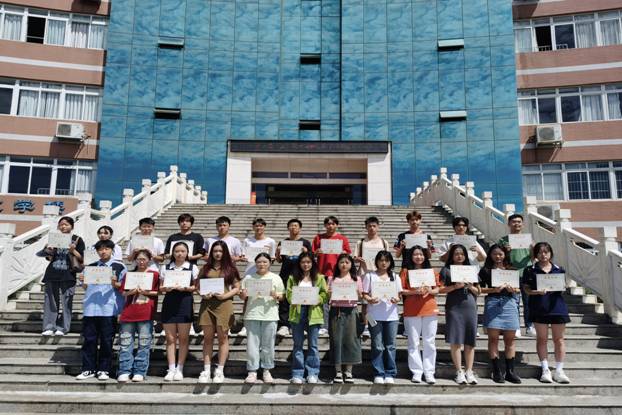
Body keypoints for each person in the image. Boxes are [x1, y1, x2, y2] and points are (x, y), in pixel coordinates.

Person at [75, 239, 126, 380]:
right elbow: (85, 287)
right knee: (89, 340)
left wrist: (115, 283)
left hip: (109, 308)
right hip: (91, 308)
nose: (103, 252)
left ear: (112, 251)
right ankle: (88, 369)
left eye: (106, 249)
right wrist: (83, 280)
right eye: (100, 249)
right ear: (97, 251)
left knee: (106, 340)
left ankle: (104, 369)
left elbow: (124, 287)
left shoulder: (119, 266)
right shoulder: (90, 266)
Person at [523, 242, 570, 384]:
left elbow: (563, 288)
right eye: (540, 252)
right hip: (539, 307)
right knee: (542, 339)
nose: (543, 255)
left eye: (546, 252)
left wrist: (563, 287)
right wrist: (536, 292)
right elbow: (526, 289)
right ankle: (545, 369)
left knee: (559, 339)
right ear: (536, 254)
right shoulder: (530, 270)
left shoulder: (559, 269)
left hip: (557, 307)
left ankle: (559, 370)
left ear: (551, 253)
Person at [196, 241, 241, 384]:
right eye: (215, 251)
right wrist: (203, 294)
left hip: (224, 305)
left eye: (220, 251)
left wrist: (225, 296)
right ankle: (206, 369)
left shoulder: (230, 268)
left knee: (223, 338)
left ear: (225, 252)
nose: (217, 253)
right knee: (207, 338)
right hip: (207, 305)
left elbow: (237, 287)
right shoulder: (205, 268)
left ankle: (220, 370)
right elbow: (197, 286)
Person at [479, 244, 522, 384]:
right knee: (493, 339)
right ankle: (496, 371)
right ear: (490, 255)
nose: (498, 257)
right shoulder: (485, 270)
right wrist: (494, 290)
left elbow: (519, 289)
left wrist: (513, 289)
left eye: (500, 254)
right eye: (494, 254)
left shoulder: (512, 270)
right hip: (493, 302)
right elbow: (479, 289)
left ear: (505, 255)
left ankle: (510, 371)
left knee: (510, 340)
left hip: (509, 303)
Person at [240, 252, 284, 384]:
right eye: (259, 262)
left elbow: (282, 296)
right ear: (255, 263)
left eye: (265, 262)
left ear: (270, 263)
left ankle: (267, 369)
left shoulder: (276, 278)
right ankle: (252, 370)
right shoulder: (249, 278)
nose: (262, 264)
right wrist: (243, 294)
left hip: (270, 314)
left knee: (268, 344)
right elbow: (242, 296)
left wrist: (275, 295)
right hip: (252, 314)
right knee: (252, 344)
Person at [439, 244, 480, 385]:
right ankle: (459, 371)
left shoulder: (471, 270)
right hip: (454, 306)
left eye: (462, 253)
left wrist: (470, 286)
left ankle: (469, 371)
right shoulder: (446, 270)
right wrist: (454, 287)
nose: (459, 256)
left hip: (469, 305)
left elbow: (478, 291)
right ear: (452, 255)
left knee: (470, 340)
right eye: (456, 253)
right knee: (456, 339)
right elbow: (440, 290)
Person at [37, 216, 85, 336]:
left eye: (66, 224)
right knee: (50, 301)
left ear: (72, 226)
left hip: (68, 274)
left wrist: (73, 250)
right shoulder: (54, 238)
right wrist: (48, 249)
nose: (63, 226)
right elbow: (47, 257)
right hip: (52, 273)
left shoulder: (77, 239)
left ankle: (63, 327)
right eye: (61, 224)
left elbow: (82, 258)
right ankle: (49, 326)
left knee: (66, 301)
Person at [399, 245, 440, 384]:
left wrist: (430, 290)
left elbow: (437, 289)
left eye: (421, 254)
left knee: (430, 342)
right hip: (411, 309)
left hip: (429, 308)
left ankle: (429, 372)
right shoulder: (405, 272)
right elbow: (401, 290)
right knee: (413, 342)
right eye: (415, 254)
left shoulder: (431, 271)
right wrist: (414, 292)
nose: (418, 257)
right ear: (410, 256)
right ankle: (417, 372)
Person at [117, 249, 160, 383]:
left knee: (144, 343)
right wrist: (131, 292)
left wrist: (146, 292)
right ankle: (124, 370)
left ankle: (139, 371)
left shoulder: (154, 275)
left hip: (146, 312)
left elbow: (158, 292)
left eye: (144, 259)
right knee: (125, 343)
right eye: (139, 259)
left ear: (149, 260)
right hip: (129, 311)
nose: (141, 262)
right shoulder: (129, 274)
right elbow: (123, 292)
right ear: (135, 260)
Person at [361, 251, 403, 385]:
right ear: (377, 262)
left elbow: (399, 295)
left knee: (390, 345)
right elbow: (364, 294)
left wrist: (397, 299)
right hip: (373, 316)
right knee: (377, 345)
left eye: (386, 260)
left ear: (390, 262)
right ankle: (378, 372)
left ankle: (390, 372)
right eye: (381, 260)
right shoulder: (370, 276)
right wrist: (369, 299)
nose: (383, 263)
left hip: (392, 316)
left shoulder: (395, 277)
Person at [286, 252, 328, 384]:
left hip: (314, 312)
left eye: (308, 262)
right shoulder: (293, 278)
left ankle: (312, 373)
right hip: (297, 313)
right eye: (303, 262)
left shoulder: (319, 278)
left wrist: (318, 299)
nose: (306, 264)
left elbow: (325, 294)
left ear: (312, 263)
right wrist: (294, 299)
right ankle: (297, 374)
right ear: (299, 263)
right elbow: (288, 294)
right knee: (297, 345)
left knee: (313, 345)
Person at [160, 241, 199, 381]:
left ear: (187, 253)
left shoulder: (192, 267)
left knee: (183, 338)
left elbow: (196, 287)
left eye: (183, 251)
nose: (179, 254)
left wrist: (187, 288)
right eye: (177, 251)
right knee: (170, 339)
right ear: (173, 253)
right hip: (169, 302)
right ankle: (171, 368)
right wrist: (166, 288)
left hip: (185, 302)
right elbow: (160, 287)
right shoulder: (165, 267)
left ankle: (180, 368)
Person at [312, 216, 351, 336]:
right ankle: (324, 325)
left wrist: (344, 253)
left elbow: (348, 255)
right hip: (321, 273)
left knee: (338, 299)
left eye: (333, 224)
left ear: (336, 225)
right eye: (328, 224)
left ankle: (336, 324)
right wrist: (316, 253)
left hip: (338, 273)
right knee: (323, 300)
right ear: (325, 225)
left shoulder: (342, 239)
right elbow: (312, 254)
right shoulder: (318, 238)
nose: (330, 226)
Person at [498, 214, 535, 337]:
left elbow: (533, 258)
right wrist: (505, 251)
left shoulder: (529, 240)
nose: (516, 224)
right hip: (511, 273)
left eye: (519, 222)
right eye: (514, 222)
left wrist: (532, 248)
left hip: (527, 273)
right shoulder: (503, 240)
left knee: (528, 301)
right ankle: (515, 327)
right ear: (509, 224)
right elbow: (498, 258)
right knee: (513, 302)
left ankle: (529, 326)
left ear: (522, 224)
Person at [328, 254, 363, 384]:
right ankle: (338, 371)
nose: (344, 265)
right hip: (336, 311)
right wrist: (329, 293)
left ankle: (348, 371)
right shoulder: (332, 278)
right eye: (341, 262)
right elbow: (328, 298)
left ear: (351, 264)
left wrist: (358, 293)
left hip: (351, 311)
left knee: (351, 340)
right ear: (337, 264)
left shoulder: (356, 279)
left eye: (347, 262)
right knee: (336, 340)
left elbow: (361, 297)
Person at [276, 219, 312, 337]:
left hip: (301, 274)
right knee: (285, 300)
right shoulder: (284, 242)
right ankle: (284, 325)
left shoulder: (305, 242)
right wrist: (278, 252)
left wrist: (306, 252)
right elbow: (279, 260)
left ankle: (301, 324)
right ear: (288, 228)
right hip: (285, 274)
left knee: (301, 299)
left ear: (300, 228)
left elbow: (310, 259)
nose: (293, 228)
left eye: (296, 226)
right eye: (291, 226)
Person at [354, 216, 390, 338]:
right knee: (365, 303)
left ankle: (377, 325)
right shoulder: (361, 242)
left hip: (380, 275)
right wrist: (357, 259)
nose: (372, 228)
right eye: (369, 226)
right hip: (364, 274)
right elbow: (354, 258)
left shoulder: (384, 242)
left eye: (374, 226)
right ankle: (366, 325)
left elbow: (388, 259)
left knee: (379, 300)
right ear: (366, 227)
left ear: (378, 227)